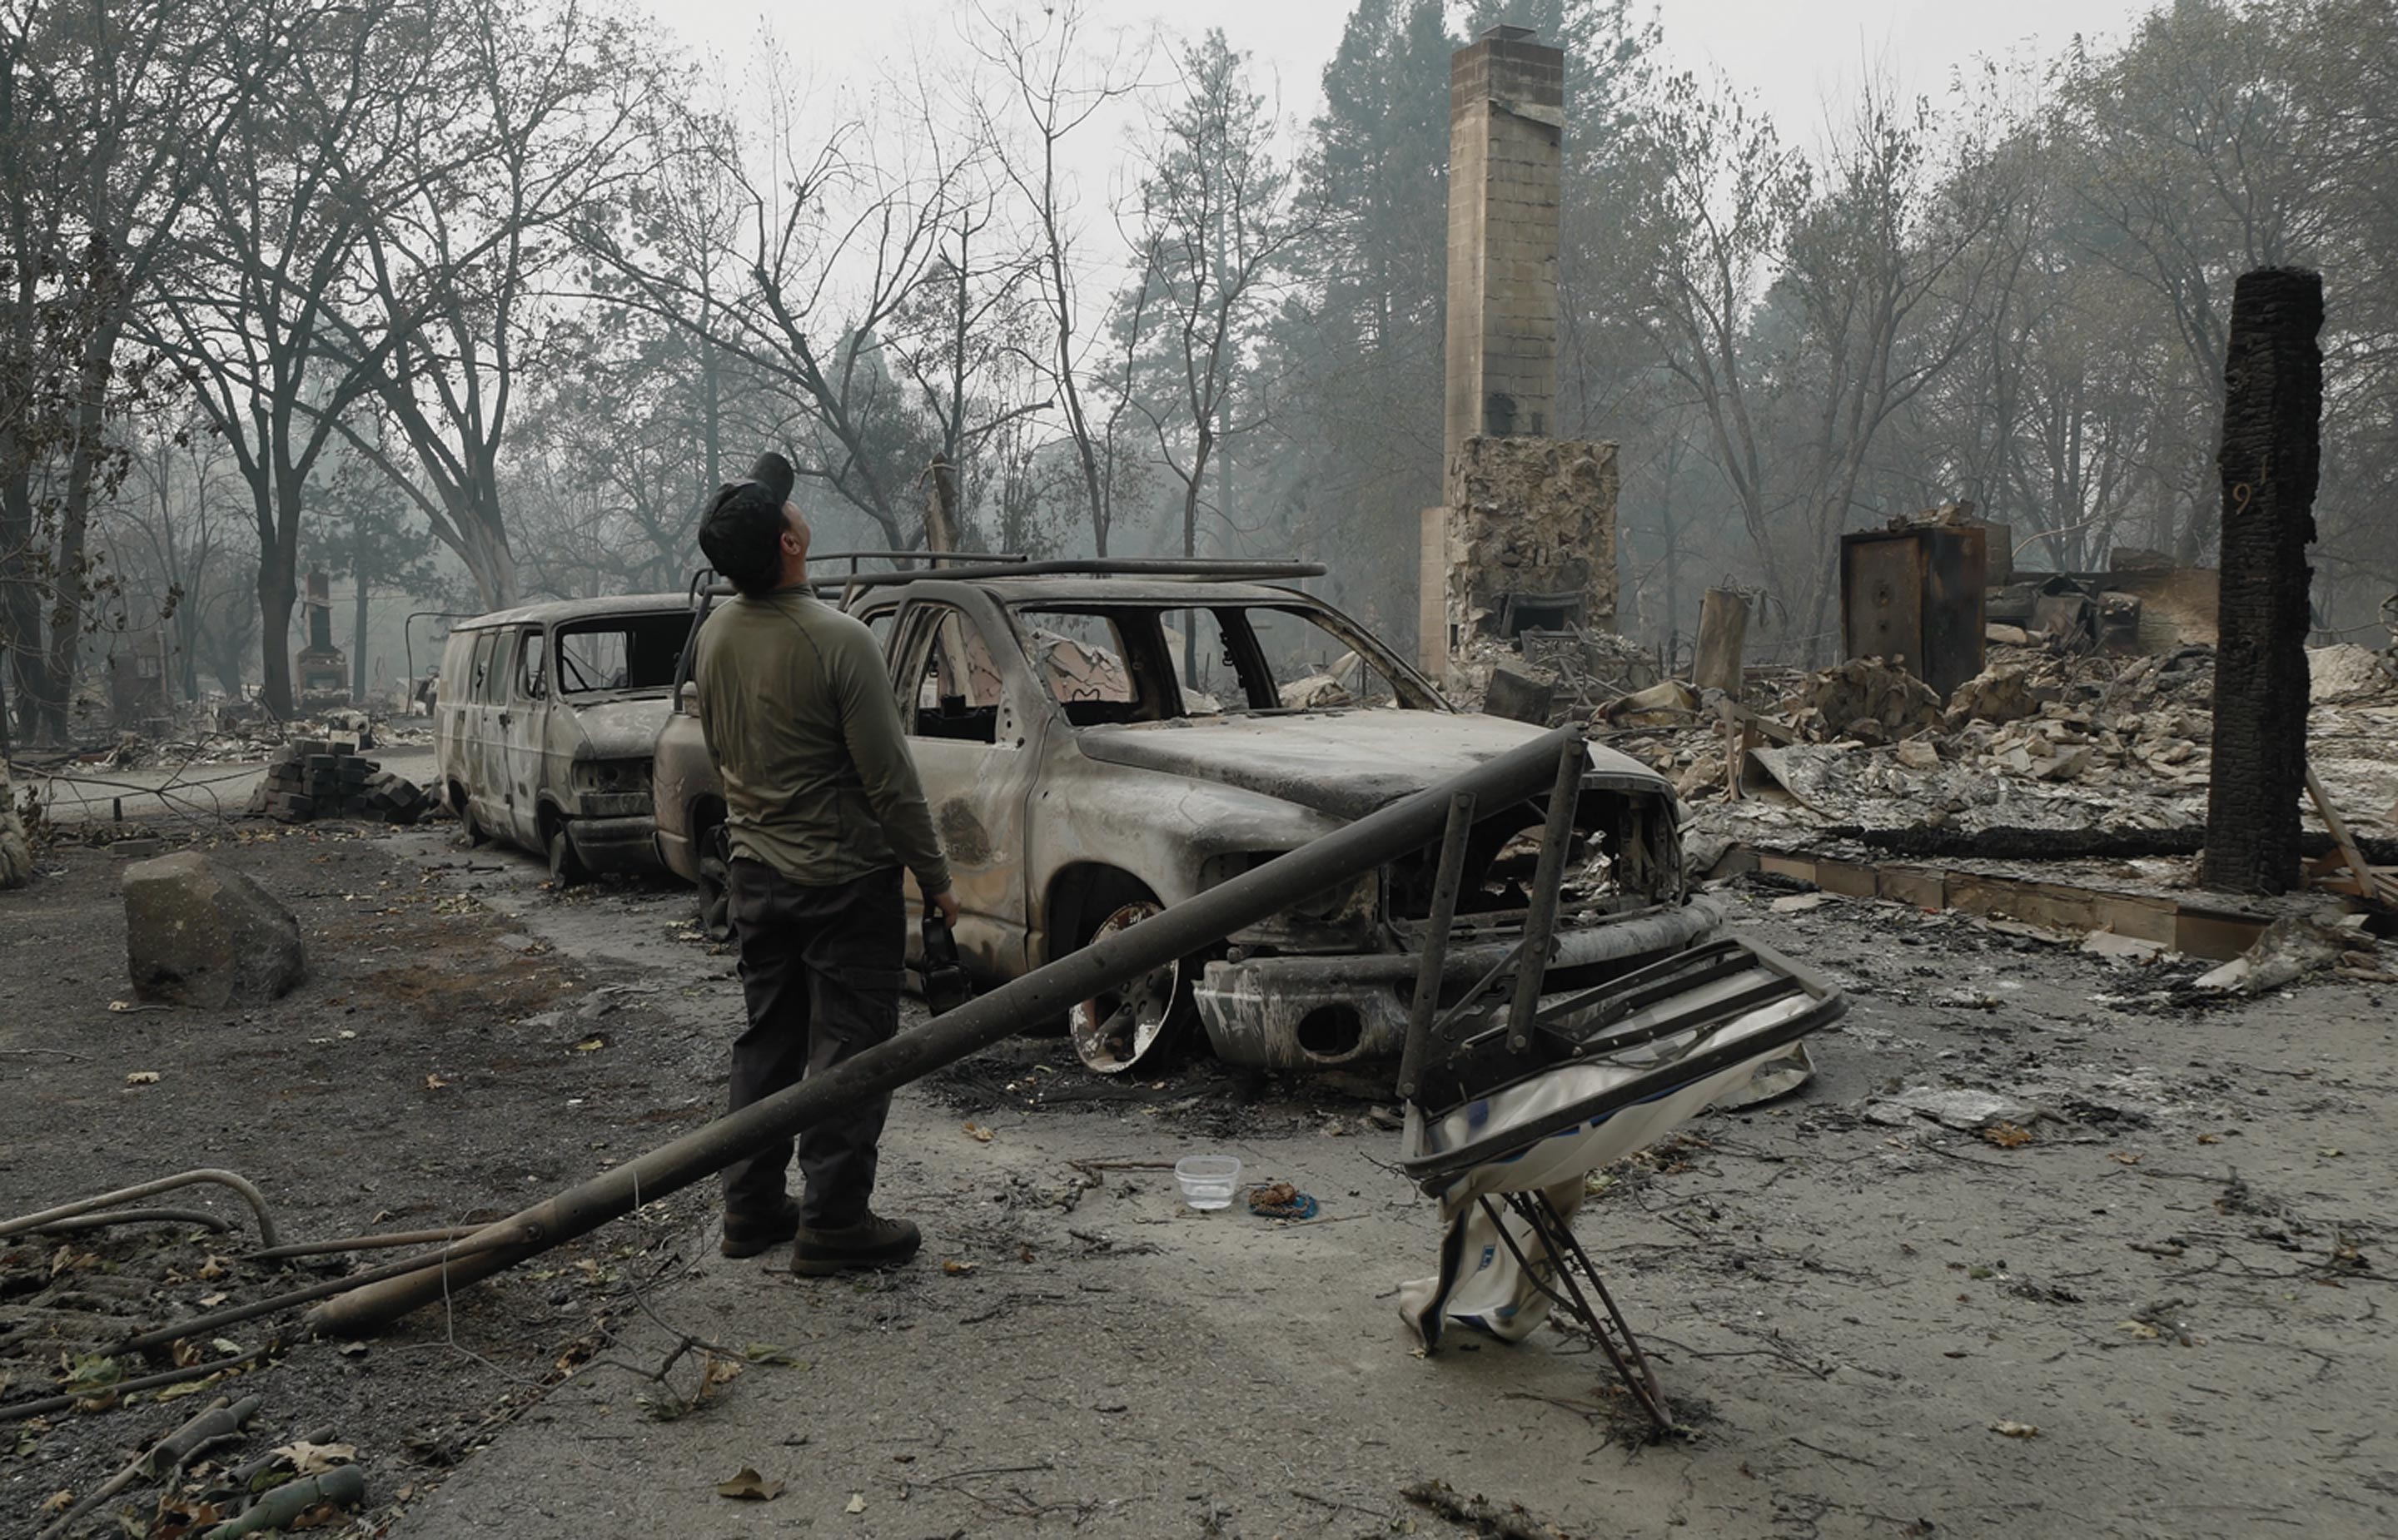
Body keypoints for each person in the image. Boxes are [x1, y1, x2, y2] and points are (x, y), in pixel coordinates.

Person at [691, 452, 959, 1274]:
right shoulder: (841, 641)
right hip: (843, 880)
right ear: (791, 542)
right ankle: (835, 1220)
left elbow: (721, 750)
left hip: (756, 874)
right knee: (850, 1044)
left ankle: (750, 1206)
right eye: (790, 512)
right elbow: (890, 781)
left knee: (768, 1039)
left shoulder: (714, 635)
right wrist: (938, 877)